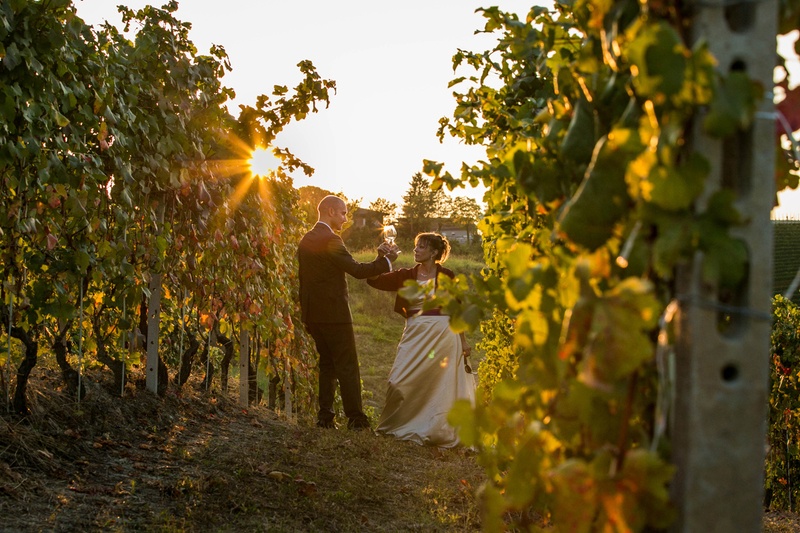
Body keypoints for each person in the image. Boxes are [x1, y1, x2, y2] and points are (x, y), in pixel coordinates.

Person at [367, 232, 476, 448]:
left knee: (441, 384)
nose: (416, 250)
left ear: (434, 252)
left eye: (421, 247)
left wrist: (463, 341)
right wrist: (380, 258)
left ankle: (436, 428)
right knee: (398, 380)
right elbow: (373, 281)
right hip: (415, 332)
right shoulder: (406, 274)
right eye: (416, 246)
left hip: (444, 334)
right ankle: (401, 424)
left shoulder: (447, 275)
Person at [298, 195, 399, 430]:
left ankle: (325, 417)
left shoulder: (307, 238)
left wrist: (379, 257)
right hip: (334, 314)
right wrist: (386, 261)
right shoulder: (331, 239)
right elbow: (356, 270)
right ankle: (356, 420)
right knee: (347, 366)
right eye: (343, 213)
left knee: (327, 365)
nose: (345, 219)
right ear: (331, 211)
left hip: (312, 314)